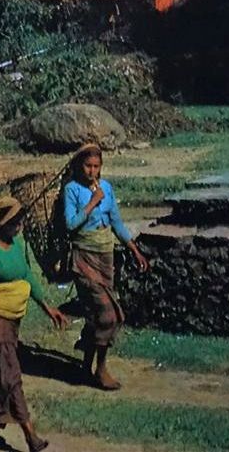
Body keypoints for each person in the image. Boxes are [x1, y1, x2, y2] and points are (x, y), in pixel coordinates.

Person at [0, 196, 67, 452]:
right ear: (3, 223)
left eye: (20, 221)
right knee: (10, 376)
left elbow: (27, 277)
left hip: (13, 322)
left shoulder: (16, 246)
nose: (19, 226)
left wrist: (48, 308)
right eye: (15, 222)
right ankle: (30, 435)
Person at [63, 143, 149, 390]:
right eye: (88, 166)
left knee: (94, 315)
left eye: (96, 166)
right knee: (107, 314)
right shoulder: (71, 190)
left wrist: (135, 250)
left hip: (105, 256)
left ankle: (85, 367)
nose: (92, 171)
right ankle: (101, 369)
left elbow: (117, 223)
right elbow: (70, 224)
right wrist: (92, 202)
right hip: (83, 258)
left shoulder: (107, 188)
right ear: (79, 166)